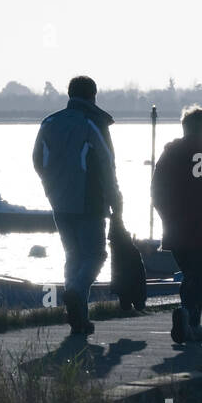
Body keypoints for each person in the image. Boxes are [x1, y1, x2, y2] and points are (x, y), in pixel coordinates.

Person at [32, 76, 122, 336]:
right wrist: (116, 198)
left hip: (58, 201)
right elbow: (107, 164)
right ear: (93, 95)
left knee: (73, 255)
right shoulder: (93, 122)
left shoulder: (48, 122)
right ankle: (76, 292)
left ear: (69, 94)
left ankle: (79, 317)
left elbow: (37, 160)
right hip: (89, 200)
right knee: (96, 255)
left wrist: (51, 185)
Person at [152, 105, 202, 344]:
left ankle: (189, 319)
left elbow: (156, 189)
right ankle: (190, 317)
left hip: (176, 227)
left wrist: (166, 214)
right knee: (201, 274)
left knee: (190, 273)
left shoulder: (170, 154)